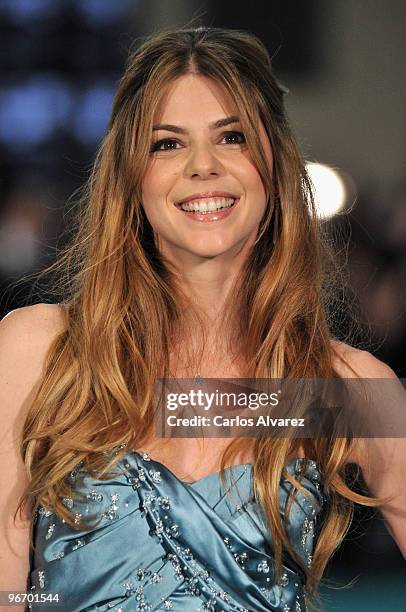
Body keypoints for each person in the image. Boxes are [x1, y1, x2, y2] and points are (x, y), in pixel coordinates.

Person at [1, 26, 404, 612]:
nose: (203, 167)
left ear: (272, 163)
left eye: (232, 137)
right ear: (131, 177)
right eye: (168, 144)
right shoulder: (41, 352)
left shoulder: (334, 390)